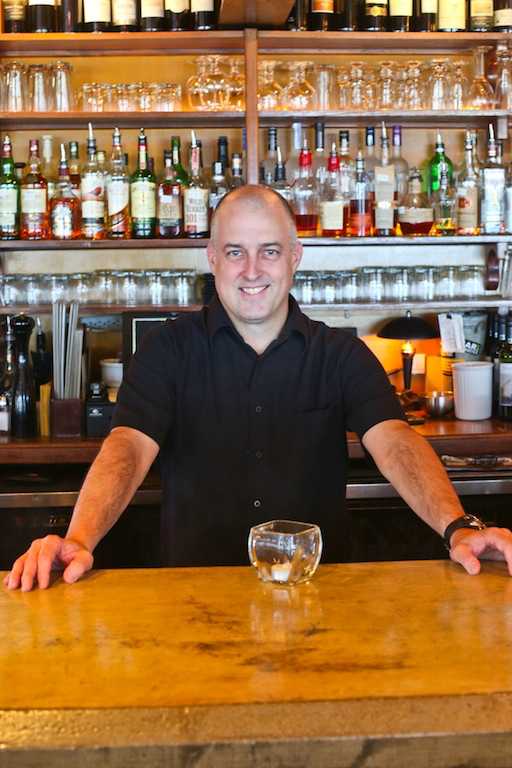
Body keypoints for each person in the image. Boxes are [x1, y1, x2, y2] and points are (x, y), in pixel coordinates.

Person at [5, 185, 512, 591]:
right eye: (235, 252)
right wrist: (79, 537)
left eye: (269, 251)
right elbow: (128, 448)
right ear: (212, 258)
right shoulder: (167, 350)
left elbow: (396, 441)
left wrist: (458, 526)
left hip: (320, 596)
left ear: (295, 256)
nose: (252, 271)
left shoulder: (340, 354)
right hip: (193, 595)